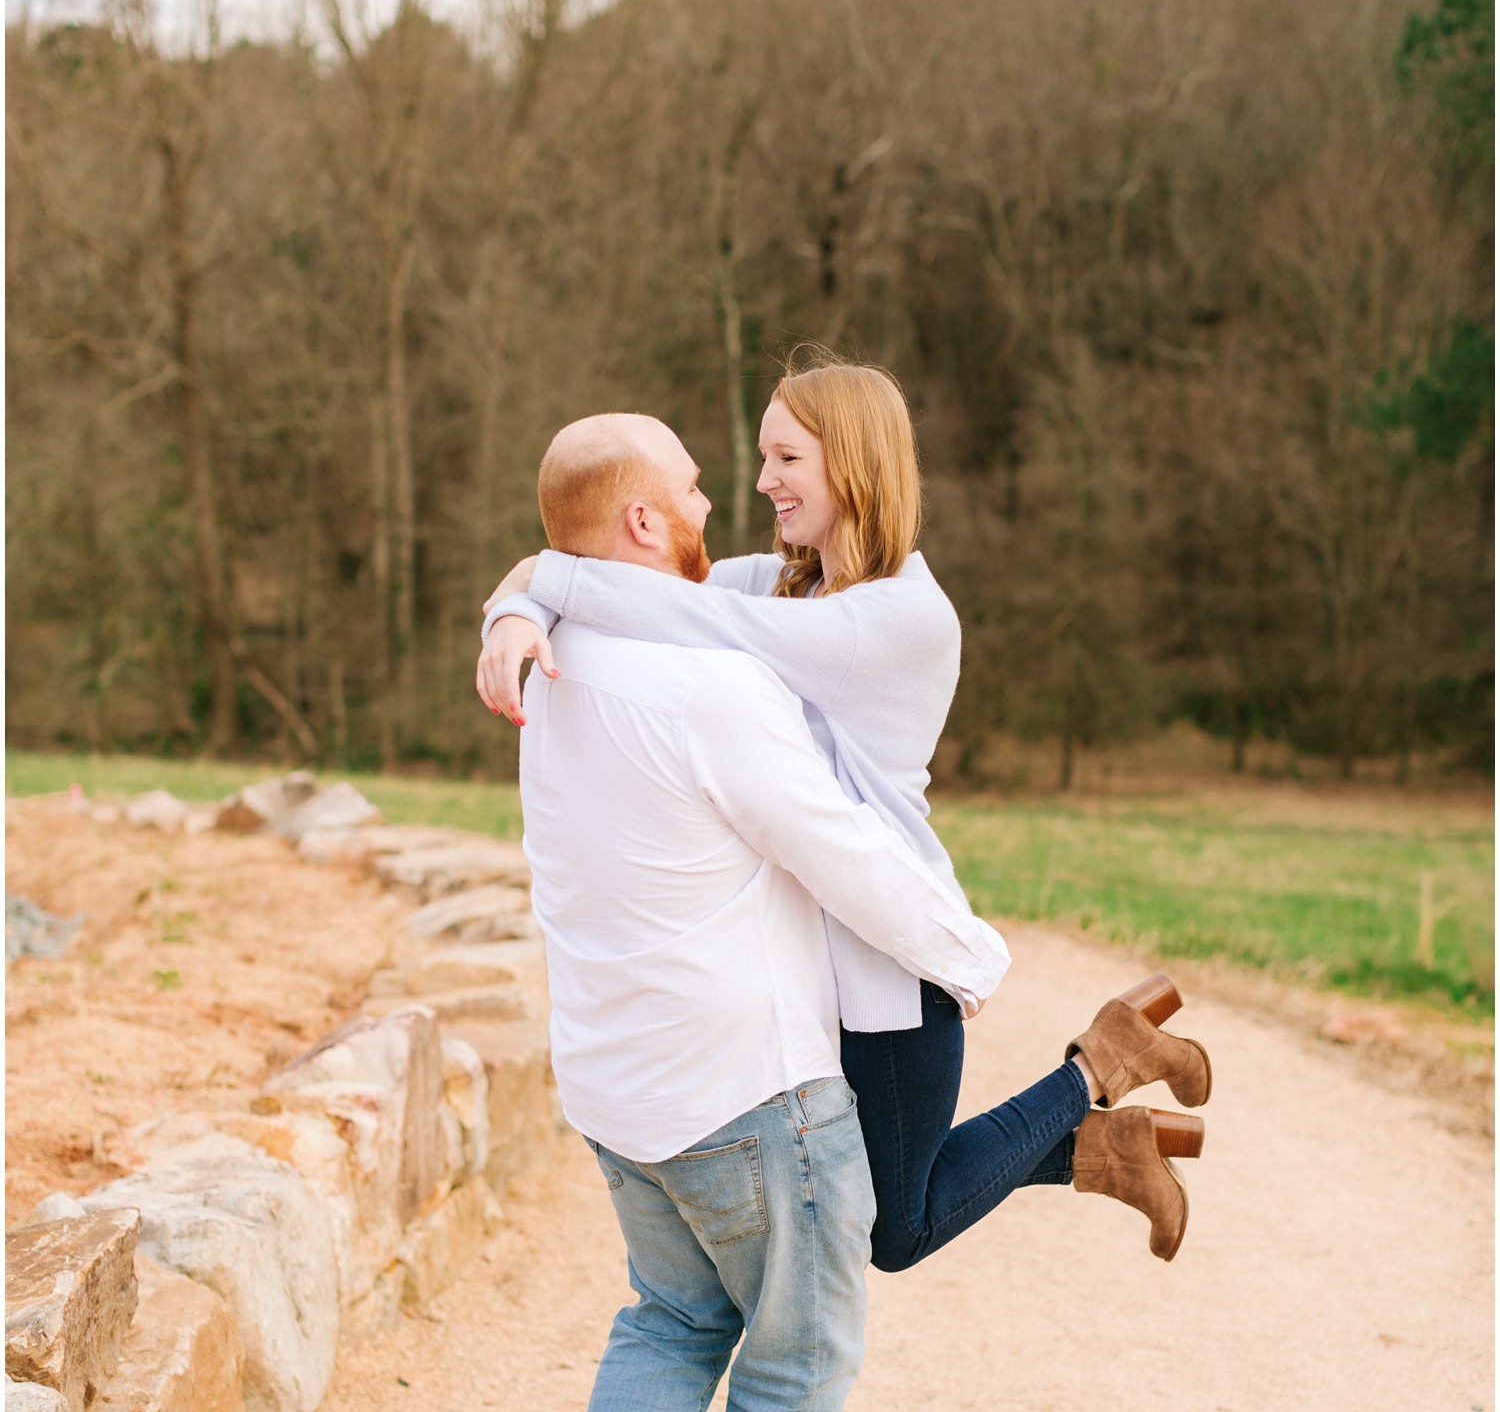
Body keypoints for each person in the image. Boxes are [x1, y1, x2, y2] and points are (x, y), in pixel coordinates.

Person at [478, 360, 1212, 1268]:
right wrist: (515, 607)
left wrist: (532, 589)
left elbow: (675, 612)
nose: (760, 481)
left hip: (890, 960)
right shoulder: (791, 583)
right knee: (884, 1193)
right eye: (761, 456)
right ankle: (1110, 1148)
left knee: (892, 1231)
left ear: (853, 465)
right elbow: (631, 582)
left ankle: (1100, 1064)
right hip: (826, 961)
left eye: (785, 456)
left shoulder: (899, 618)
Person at [519, 411, 1019, 1412]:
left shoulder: (558, 656)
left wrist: (515, 607)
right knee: (803, 1340)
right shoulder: (713, 686)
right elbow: (843, 851)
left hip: (619, 1090)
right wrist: (971, 956)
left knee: (674, 1324)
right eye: (689, 488)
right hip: (748, 1087)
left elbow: (541, 583)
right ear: (641, 523)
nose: (714, 503)